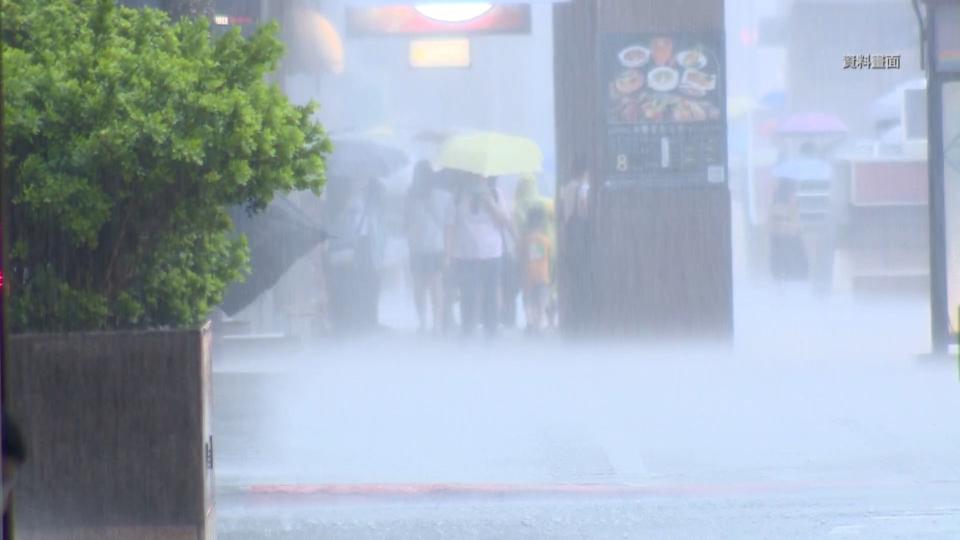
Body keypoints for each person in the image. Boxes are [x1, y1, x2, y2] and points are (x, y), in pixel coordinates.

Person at [445, 172, 515, 338]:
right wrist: (447, 255)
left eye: (481, 176)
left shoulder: (496, 193)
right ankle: (468, 330)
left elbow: (505, 221)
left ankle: (490, 331)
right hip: (465, 254)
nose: (478, 179)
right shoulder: (457, 195)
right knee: (468, 294)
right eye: (474, 176)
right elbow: (449, 226)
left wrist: (490, 204)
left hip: (492, 254)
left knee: (491, 294)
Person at [323, 174, 386, 336]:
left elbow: (379, 228)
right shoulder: (338, 200)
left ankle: (365, 320)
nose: (360, 180)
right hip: (348, 247)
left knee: (366, 283)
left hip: (365, 247)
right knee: (349, 284)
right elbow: (335, 225)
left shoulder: (374, 199)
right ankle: (348, 321)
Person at [404, 162, 451, 335]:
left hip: (416, 246)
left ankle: (422, 321)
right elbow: (447, 224)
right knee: (436, 285)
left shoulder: (410, 195)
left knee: (419, 286)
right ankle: (437, 324)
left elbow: (406, 221)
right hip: (436, 245)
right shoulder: (443, 196)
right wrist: (448, 250)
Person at [558, 155, 592, 335]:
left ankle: (573, 318)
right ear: (585, 172)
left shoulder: (566, 188)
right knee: (583, 279)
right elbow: (584, 211)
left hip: (569, 236)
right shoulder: (583, 188)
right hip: (581, 237)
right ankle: (583, 318)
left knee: (573, 279)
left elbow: (563, 215)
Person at [519, 205, 553, 334]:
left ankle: (530, 322)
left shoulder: (524, 240)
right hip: (542, 276)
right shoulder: (546, 241)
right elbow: (549, 257)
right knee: (541, 301)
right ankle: (538, 325)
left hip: (527, 276)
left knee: (528, 300)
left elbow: (520, 256)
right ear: (541, 223)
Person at [769, 178, 809, 282]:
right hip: (788, 232)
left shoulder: (779, 195)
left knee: (782, 251)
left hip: (782, 232)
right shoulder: (789, 196)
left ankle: (784, 274)